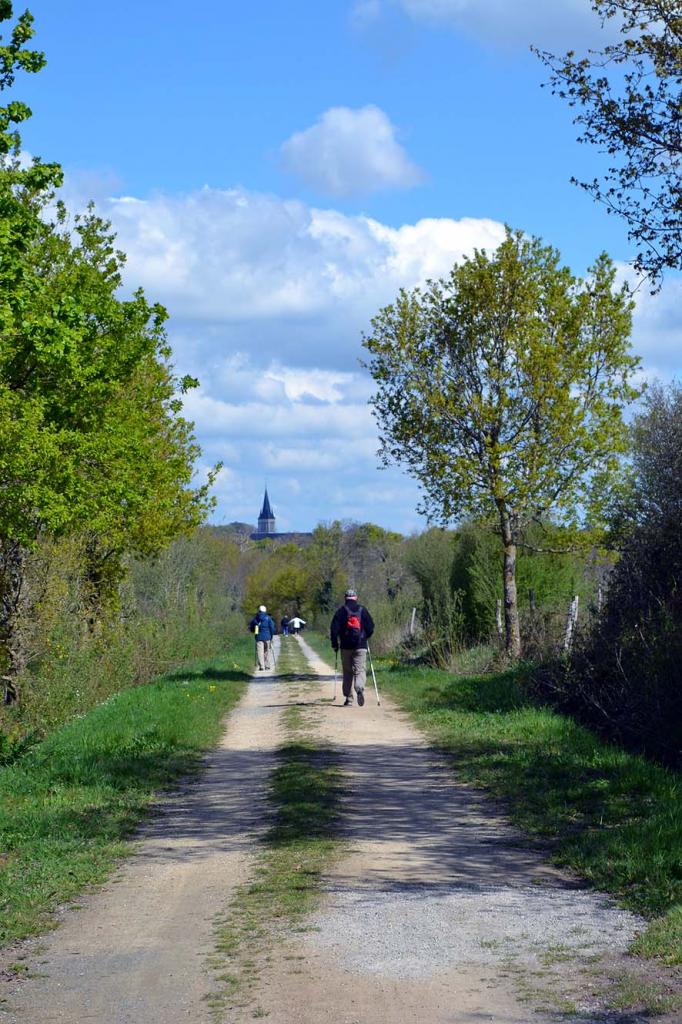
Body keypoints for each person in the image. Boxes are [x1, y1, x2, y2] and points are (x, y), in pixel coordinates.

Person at [330, 589, 374, 707]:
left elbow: (334, 630)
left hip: (345, 647)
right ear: (356, 598)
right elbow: (371, 627)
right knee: (359, 670)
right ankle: (359, 688)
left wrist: (335, 644)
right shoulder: (362, 610)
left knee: (348, 671)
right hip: (361, 646)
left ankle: (349, 699)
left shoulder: (341, 611)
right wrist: (365, 637)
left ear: (345, 598)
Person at [249, 604, 277, 670]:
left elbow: (251, 627)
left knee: (260, 652)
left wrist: (254, 631)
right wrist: (271, 635)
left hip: (259, 637)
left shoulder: (256, 618)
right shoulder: (268, 618)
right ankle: (267, 665)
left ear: (259, 610)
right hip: (267, 637)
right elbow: (272, 628)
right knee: (267, 651)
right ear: (265, 610)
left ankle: (262, 666)